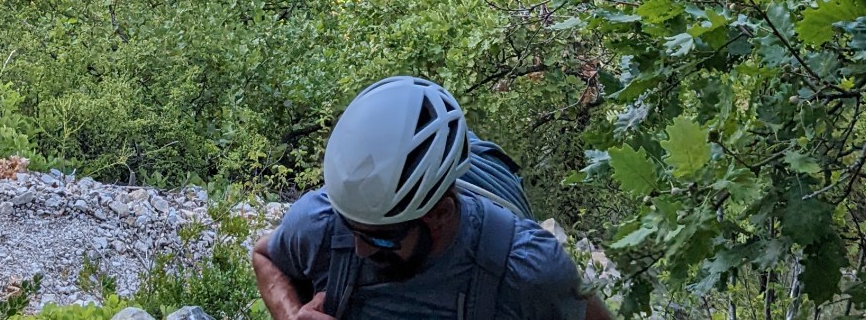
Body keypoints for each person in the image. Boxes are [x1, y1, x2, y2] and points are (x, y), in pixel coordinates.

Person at [252, 76, 613, 319]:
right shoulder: (320, 223)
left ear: (440, 213)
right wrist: (291, 314)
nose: (360, 249)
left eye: (381, 237)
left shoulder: (528, 271)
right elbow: (266, 256)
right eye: (350, 228)